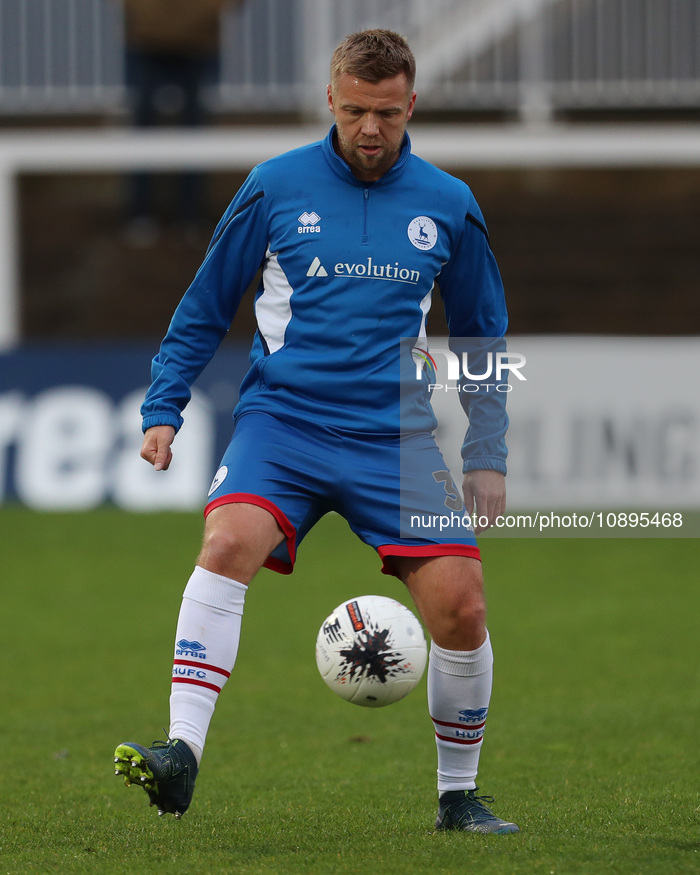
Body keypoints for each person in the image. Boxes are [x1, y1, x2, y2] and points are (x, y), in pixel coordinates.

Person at [113, 29, 519, 835]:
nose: (372, 130)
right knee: (227, 543)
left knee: (462, 609)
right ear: (331, 100)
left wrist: (486, 454)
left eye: (389, 114)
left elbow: (482, 338)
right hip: (284, 425)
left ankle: (458, 796)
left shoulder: (449, 202)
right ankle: (181, 754)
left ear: (413, 105)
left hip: (394, 439)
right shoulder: (274, 186)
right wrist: (165, 407)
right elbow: (203, 308)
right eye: (357, 111)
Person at [120, 0, 234, 245]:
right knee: (145, 127)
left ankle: (188, 215)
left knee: (192, 128)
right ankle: (145, 213)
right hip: (149, 35)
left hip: (194, 38)